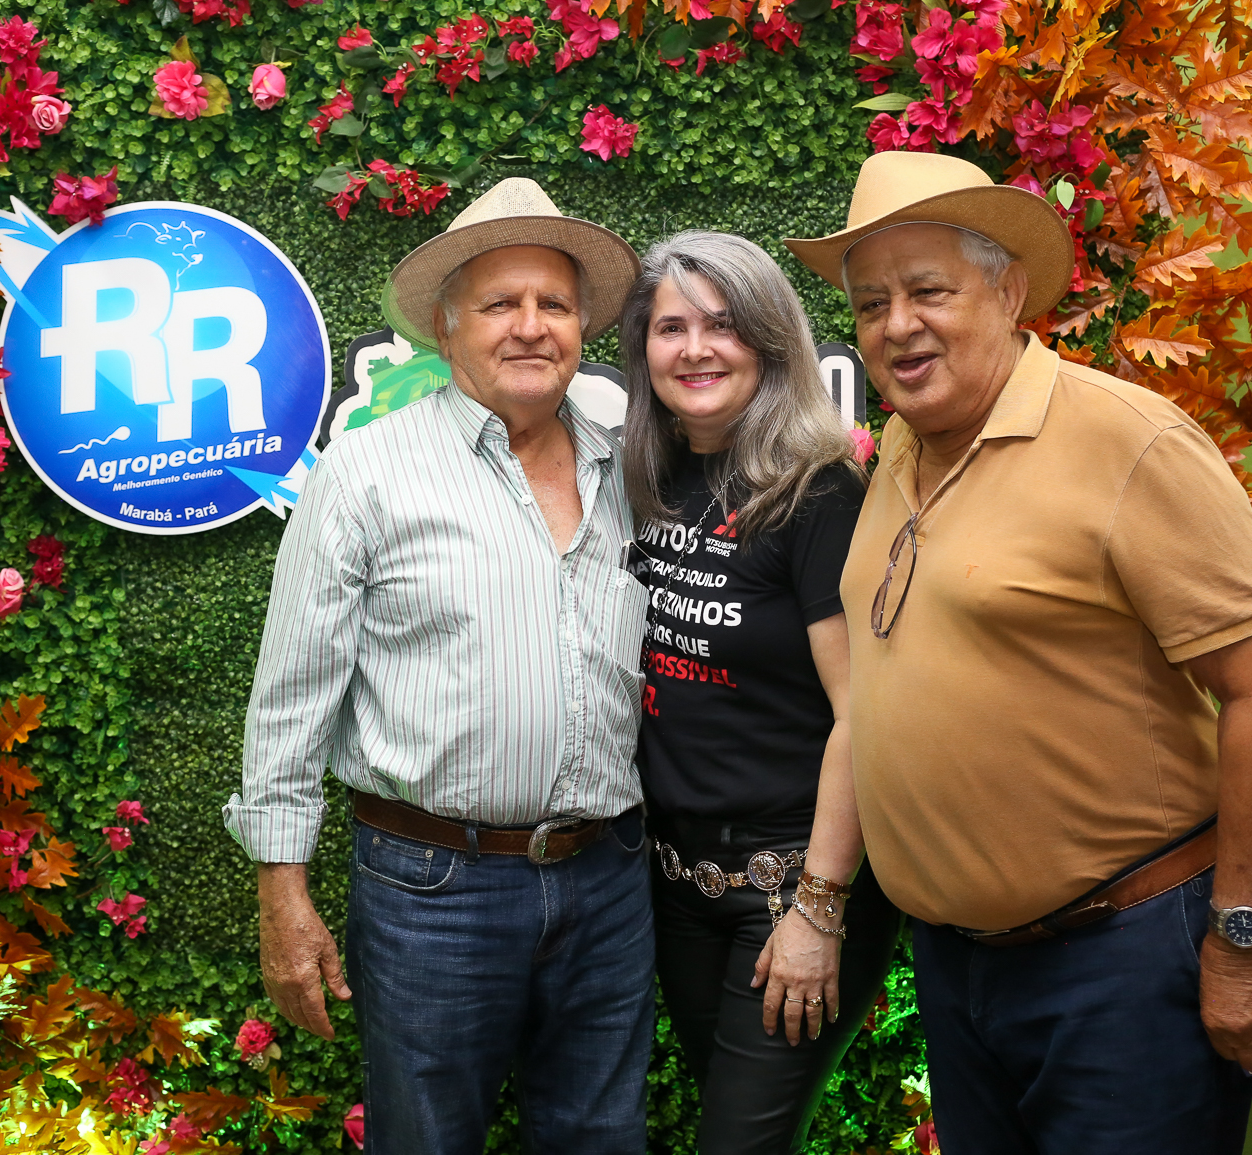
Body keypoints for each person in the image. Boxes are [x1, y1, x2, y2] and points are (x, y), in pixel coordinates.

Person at [784, 152, 1252, 1154]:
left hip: (1121, 966)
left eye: (928, 290)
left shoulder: (1125, 439)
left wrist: (1246, 939)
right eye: (870, 304)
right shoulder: (900, 449)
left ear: (1007, 290)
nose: (897, 325)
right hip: (958, 971)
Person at [224, 177, 653, 1155]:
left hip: (609, 883)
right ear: (447, 327)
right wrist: (281, 895)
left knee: (600, 1138)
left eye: (553, 303)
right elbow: (290, 698)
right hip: (432, 893)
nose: (531, 326)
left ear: (581, 326)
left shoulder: (628, 467)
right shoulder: (366, 472)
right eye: (501, 303)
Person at [621, 230, 902, 1154]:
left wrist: (819, 907)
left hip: (794, 886)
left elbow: (863, 715)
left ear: (771, 341)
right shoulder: (649, 478)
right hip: (678, 886)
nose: (695, 348)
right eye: (671, 327)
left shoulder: (818, 491)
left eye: (723, 325)